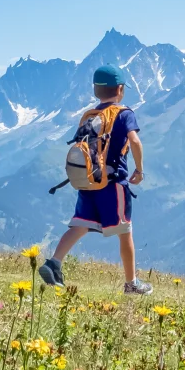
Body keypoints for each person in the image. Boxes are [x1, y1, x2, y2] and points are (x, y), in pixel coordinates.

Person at [37, 65, 152, 295]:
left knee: (80, 224)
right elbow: (135, 141)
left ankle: (54, 263)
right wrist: (139, 170)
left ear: (95, 90)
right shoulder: (124, 113)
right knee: (125, 232)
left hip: (88, 181)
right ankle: (132, 284)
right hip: (113, 184)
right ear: (120, 89)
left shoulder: (90, 116)